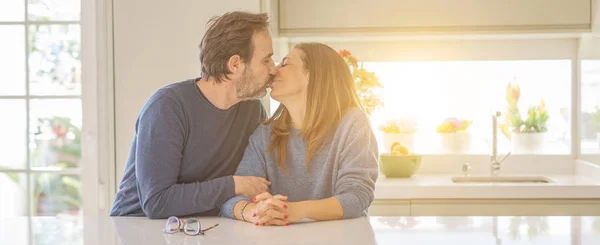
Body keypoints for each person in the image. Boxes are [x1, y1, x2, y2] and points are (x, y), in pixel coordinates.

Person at [110, 11, 278, 219]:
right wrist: (234, 184)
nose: (274, 69)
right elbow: (157, 202)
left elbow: (256, 181)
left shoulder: (251, 110)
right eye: (266, 60)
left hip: (201, 226)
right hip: (137, 227)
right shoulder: (167, 107)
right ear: (235, 64)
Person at [220, 42, 379, 225]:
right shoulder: (264, 135)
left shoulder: (352, 123)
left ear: (312, 74)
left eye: (285, 63)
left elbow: (356, 198)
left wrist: (294, 210)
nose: (273, 71)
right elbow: (233, 198)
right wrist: (252, 211)